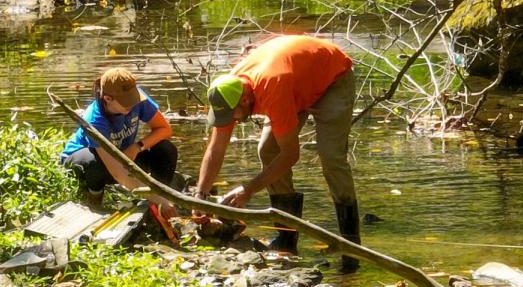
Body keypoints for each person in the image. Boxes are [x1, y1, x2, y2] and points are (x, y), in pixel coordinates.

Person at [196, 34, 362, 273]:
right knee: (267, 149)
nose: (230, 121)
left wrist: (249, 189)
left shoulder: (272, 87)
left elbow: (290, 155)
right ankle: (287, 238)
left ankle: (351, 247)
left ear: (245, 99)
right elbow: (216, 147)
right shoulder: (227, 92)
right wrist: (200, 196)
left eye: (232, 115)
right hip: (296, 81)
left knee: (331, 158)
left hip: (332, 78)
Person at [61, 68, 177, 210]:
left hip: (123, 155)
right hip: (87, 161)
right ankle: (94, 199)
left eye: (134, 99)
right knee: (93, 162)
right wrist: (163, 203)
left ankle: (158, 198)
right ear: (108, 99)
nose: (133, 104)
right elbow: (119, 174)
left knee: (165, 149)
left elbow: (164, 129)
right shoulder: (94, 120)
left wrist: (137, 147)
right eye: (127, 102)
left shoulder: (138, 98)